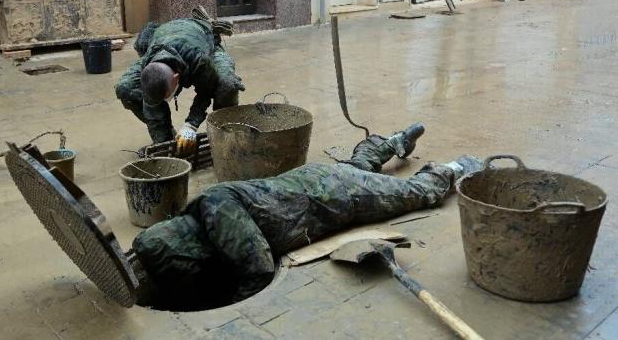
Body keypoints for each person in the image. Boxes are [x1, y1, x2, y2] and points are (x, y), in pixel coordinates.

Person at [129, 123, 483, 310]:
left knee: (418, 195)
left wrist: (223, 303)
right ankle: (392, 143)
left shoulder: (219, 212)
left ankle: (459, 165)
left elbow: (258, 271)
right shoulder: (204, 215)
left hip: (334, 197)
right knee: (356, 169)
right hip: (317, 182)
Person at [115, 7, 244, 153]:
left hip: (205, 43)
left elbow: (206, 92)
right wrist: (164, 146)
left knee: (227, 84)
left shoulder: (199, 60)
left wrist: (191, 125)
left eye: (167, 95)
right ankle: (167, 138)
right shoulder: (149, 59)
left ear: (177, 78)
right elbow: (151, 103)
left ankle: (224, 135)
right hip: (168, 37)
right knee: (125, 88)